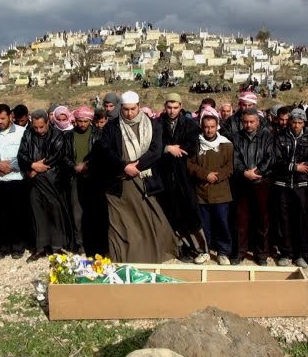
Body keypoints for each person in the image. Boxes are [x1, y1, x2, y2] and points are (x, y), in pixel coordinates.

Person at [94, 90, 177, 263]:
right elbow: (104, 150)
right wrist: (124, 166)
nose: (129, 113)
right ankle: (122, 257)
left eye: (133, 109)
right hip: (119, 183)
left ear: (139, 107)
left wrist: (135, 167)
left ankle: (152, 255)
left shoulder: (153, 125)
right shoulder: (112, 126)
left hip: (144, 179)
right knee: (120, 223)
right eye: (125, 109)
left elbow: (156, 150)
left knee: (149, 220)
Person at [157, 93, 207, 263]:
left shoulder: (190, 124)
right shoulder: (157, 124)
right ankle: (179, 248)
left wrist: (178, 149)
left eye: (175, 108)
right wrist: (167, 148)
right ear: (165, 107)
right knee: (170, 212)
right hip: (164, 174)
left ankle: (200, 249)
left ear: (180, 107)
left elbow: (193, 146)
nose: (172, 111)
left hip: (183, 174)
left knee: (189, 211)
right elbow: (153, 145)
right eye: (169, 107)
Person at [18, 109, 72, 260]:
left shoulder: (57, 135)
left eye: (41, 127)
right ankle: (40, 247)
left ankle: (56, 247)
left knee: (55, 212)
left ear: (48, 122)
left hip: (52, 180)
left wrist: (39, 167)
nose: (39, 130)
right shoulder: (28, 134)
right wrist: (32, 165)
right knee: (37, 213)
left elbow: (57, 154)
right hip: (34, 181)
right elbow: (21, 154)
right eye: (36, 127)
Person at [272, 108, 308, 268]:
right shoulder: (280, 137)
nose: (296, 125)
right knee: (283, 221)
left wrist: (304, 168)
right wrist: (293, 167)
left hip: (301, 185)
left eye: (299, 122)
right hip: (282, 184)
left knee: (301, 220)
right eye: (294, 122)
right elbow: (276, 160)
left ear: (304, 122)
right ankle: (285, 253)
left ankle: (299, 254)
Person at [187, 107, 233, 265]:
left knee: (222, 223)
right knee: (203, 224)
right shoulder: (196, 145)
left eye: (212, 126)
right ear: (202, 126)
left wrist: (217, 176)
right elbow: (190, 164)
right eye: (206, 126)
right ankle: (204, 251)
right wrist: (204, 174)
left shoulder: (226, 145)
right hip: (202, 192)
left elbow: (229, 167)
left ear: (217, 126)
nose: (209, 130)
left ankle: (223, 252)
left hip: (221, 192)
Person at [231, 108, 273, 265]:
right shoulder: (236, 137)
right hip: (242, 182)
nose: (248, 124)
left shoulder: (267, 136)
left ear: (258, 122)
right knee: (240, 219)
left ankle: (261, 253)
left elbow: (270, 156)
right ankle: (240, 251)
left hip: (261, 182)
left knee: (262, 219)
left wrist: (258, 171)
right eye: (245, 122)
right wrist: (244, 172)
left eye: (251, 121)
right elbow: (234, 158)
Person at [0, 104, 27, 259]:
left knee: (16, 215)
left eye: (3, 118)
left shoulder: (22, 132)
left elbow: (25, 152)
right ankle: (2, 247)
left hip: (15, 180)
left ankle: (17, 247)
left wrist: (10, 166)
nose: (0, 122)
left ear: (10, 116)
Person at [62, 106, 102, 254]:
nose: (82, 124)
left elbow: (101, 155)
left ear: (90, 120)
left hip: (93, 178)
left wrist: (87, 165)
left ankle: (94, 244)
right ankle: (80, 244)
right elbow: (64, 156)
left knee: (93, 211)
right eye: (79, 121)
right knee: (77, 212)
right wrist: (74, 166)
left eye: (85, 121)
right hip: (74, 177)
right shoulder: (68, 136)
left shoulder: (99, 134)